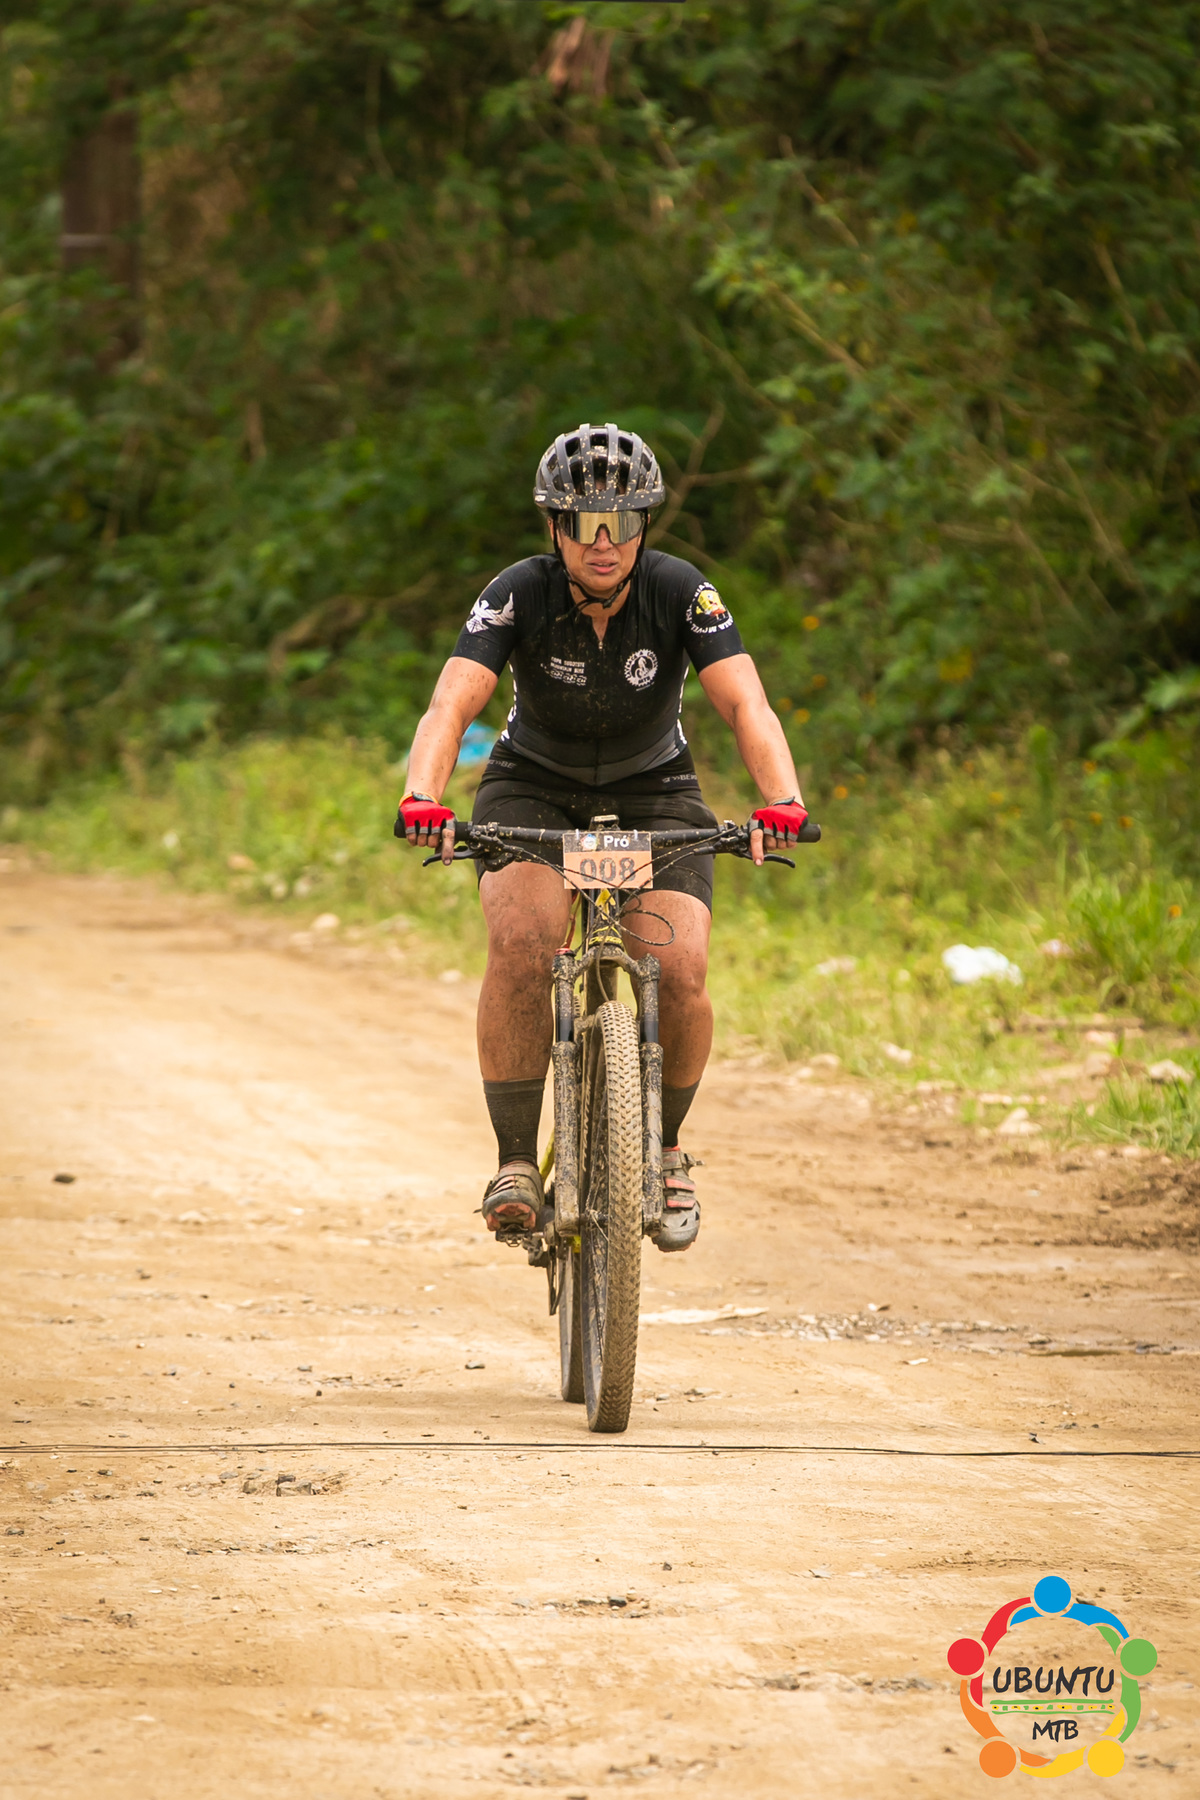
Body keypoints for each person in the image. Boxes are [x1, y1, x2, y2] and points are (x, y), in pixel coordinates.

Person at [397, 422, 808, 1252]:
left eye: (622, 522)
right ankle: (516, 1161)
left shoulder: (681, 591)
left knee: (679, 968)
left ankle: (666, 1151)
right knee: (524, 944)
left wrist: (782, 799)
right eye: (584, 524)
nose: (604, 543)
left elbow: (745, 703)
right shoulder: (518, 592)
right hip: (533, 787)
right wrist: (423, 796)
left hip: (656, 790)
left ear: (644, 525)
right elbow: (452, 704)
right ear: (555, 527)